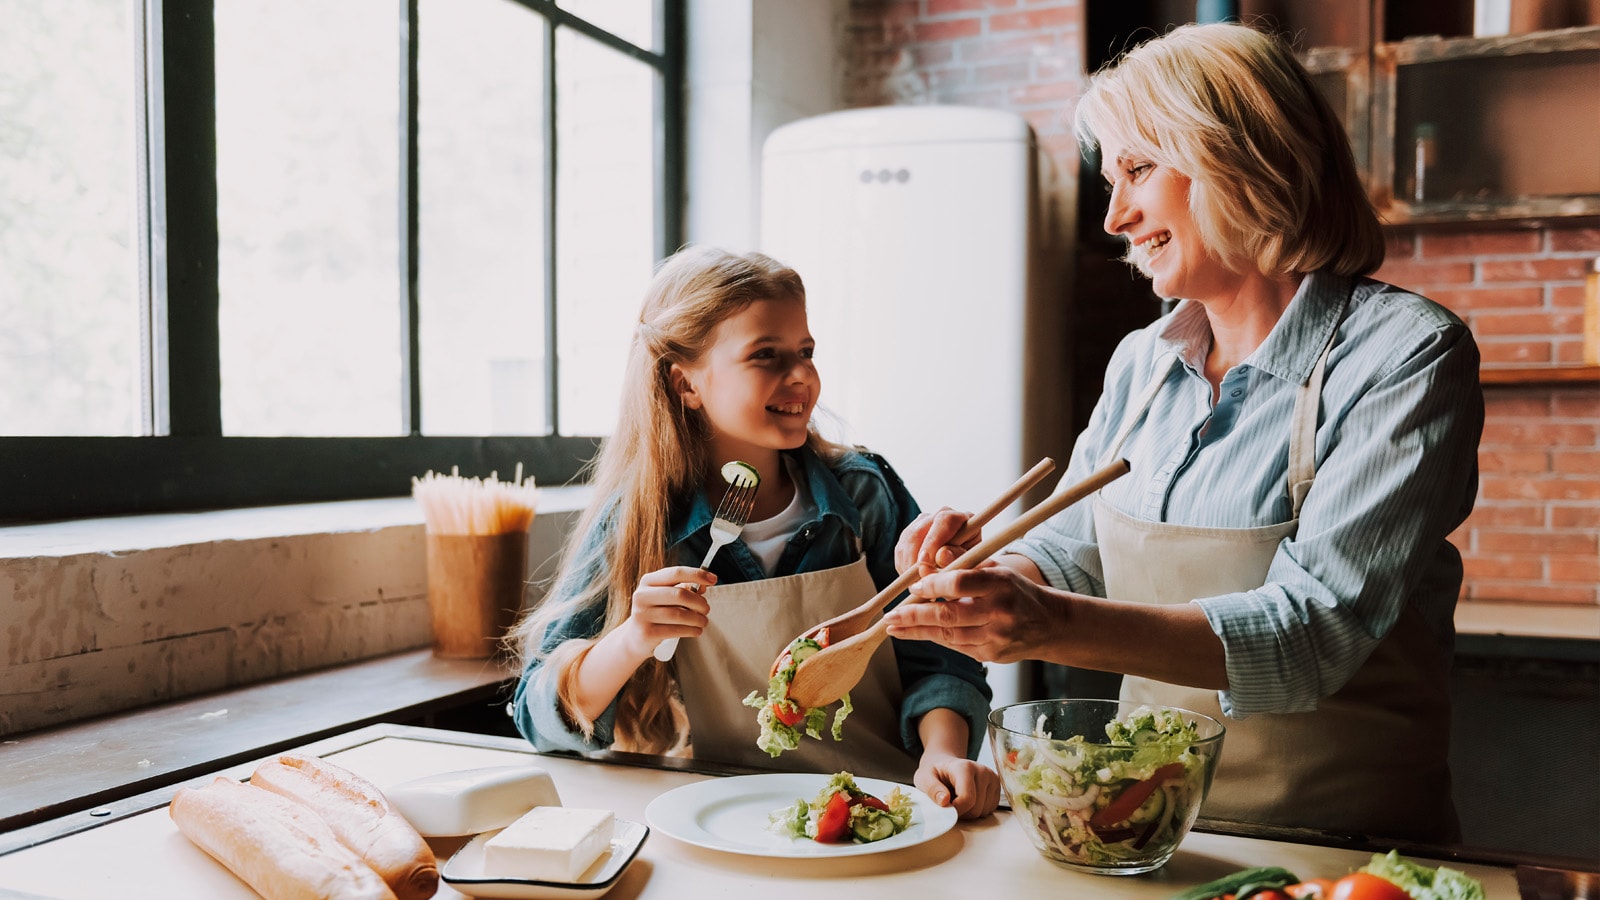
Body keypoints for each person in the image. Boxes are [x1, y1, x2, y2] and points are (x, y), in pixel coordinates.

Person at [883, 22, 1483, 842]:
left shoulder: (1403, 354)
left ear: (1243, 157)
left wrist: (1048, 623)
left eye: (1137, 170)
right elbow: (1070, 550)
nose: (1114, 216)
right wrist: (989, 576)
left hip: (1338, 850)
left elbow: (1316, 629)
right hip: (1144, 832)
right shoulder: (1141, 362)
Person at [508, 245, 1001, 818]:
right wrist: (632, 639)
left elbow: (939, 654)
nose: (802, 376)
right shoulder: (640, 519)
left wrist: (943, 753)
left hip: (888, 808)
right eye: (766, 355)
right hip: (725, 816)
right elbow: (536, 716)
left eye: (806, 351)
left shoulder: (864, 493)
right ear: (686, 384)